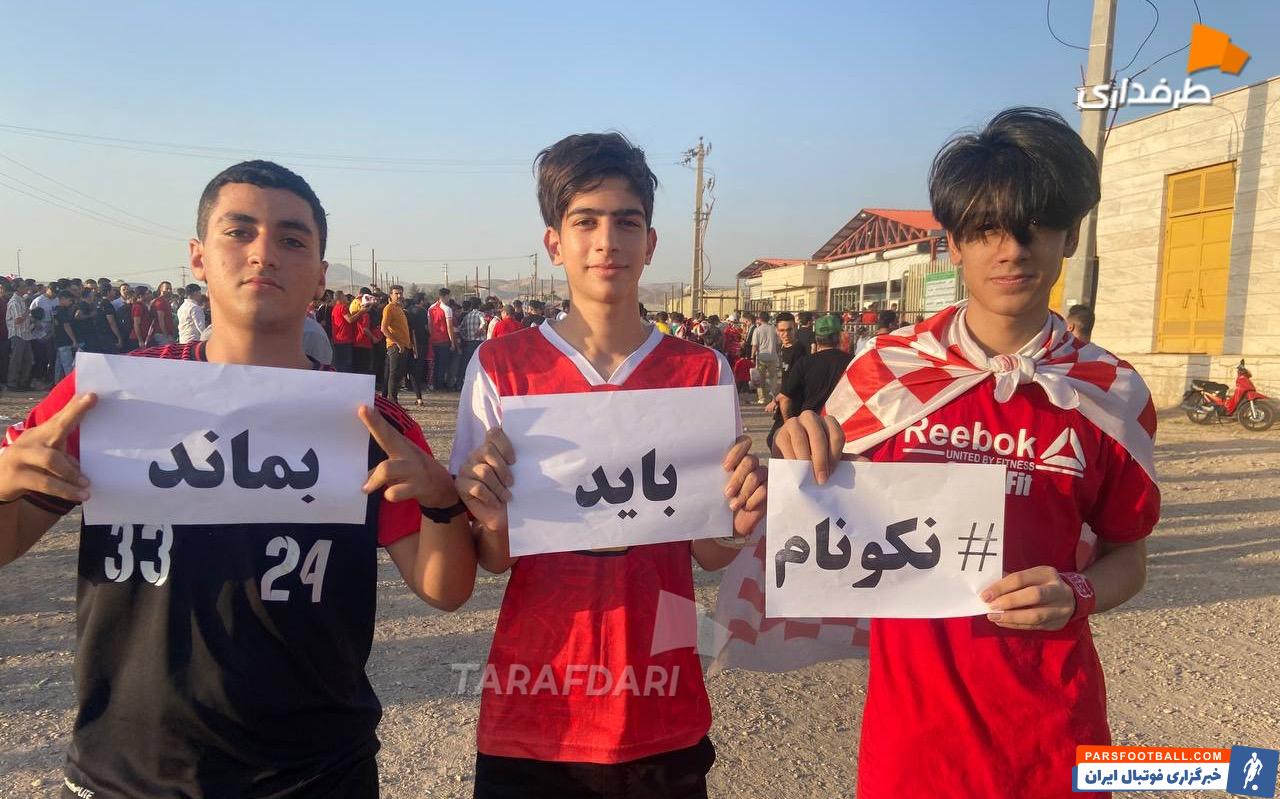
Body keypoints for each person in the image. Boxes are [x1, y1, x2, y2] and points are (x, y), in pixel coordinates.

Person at [0, 160, 477, 798]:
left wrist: (443, 504)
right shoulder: (111, 396)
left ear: (321, 274)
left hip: (316, 774)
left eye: (291, 239)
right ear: (197, 257)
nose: (263, 253)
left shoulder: (368, 421)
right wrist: (4, 481)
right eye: (239, 231)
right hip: (127, 772)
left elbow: (445, 589)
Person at [451, 132, 836, 799]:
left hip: (660, 704)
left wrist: (741, 518)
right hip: (536, 703)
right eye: (586, 222)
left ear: (651, 242)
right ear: (554, 242)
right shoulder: (501, 368)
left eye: (626, 222)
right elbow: (495, 558)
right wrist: (487, 512)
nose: (608, 241)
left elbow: (708, 551)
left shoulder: (700, 370)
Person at [821, 107, 1160, 799]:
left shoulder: (1110, 393)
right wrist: (794, 453)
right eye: (986, 230)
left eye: (1035, 225)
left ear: (1070, 236)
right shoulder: (884, 375)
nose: (1012, 251)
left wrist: (1080, 592)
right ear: (953, 244)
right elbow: (809, 513)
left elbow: (1129, 557)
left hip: (1054, 739)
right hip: (914, 746)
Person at [380, 284, 412, 404]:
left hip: (403, 346)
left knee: (397, 375)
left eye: (400, 293)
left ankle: (392, 402)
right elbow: (383, 328)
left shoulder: (399, 308)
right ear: (391, 295)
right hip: (395, 347)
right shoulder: (389, 308)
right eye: (396, 293)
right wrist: (397, 343)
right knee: (394, 375)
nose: (399, 296)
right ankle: (393, 403)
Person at [428, 287, 456, 392]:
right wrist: (452, 342)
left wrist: (432, 336)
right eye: (448, 296)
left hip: (433, 340)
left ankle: (435, 384)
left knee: (435, 364)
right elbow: (449, 327)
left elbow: (429, 325)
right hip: (444, 340)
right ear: (445, 296)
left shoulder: (431, 308)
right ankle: (440, 385)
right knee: (442, 364)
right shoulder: (447, 309)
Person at [749, 310, 780, 405]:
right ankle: (773, 395)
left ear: (760, 319)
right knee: (773, 377)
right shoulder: (774, 329)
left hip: (761, 357)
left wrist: (752, 356)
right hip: (773, 356)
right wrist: (777, 352)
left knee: (760, 378)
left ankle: (762, 397)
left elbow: (755, 345)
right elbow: (778, 343)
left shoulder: (757, 330)